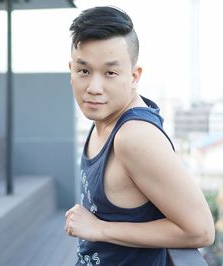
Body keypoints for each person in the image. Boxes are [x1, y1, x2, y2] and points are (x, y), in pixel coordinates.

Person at [64, 6, 215, 266]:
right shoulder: (103, 114)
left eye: (110, 73)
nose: (94, 88)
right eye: (84, 71)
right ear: (71, 70)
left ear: (134, 76)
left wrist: (100, 229)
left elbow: (201, 230)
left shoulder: (135, 136)